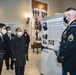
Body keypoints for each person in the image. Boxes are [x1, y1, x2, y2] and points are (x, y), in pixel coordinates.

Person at [57, 7, 76, 75]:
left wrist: (60, 57)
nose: (64, 18)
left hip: (70, 64)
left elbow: (69, 47)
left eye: (64, 16)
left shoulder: (73, 28)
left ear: (69, 16)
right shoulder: (70, 27)